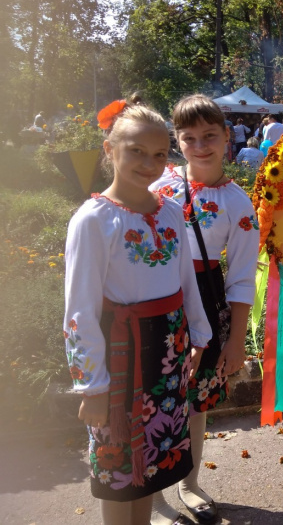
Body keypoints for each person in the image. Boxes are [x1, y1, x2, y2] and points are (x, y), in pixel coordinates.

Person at [64, 98, 211, 525]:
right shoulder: (93, 220)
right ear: (109, 149)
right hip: (119, 354)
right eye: (136, 151)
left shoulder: (169, 211)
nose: (149, 163)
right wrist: (92, 384)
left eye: (160, 154)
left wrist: (198, 336)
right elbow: (79, 309)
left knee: (152, 463)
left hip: (166, 352)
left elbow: (186, 280)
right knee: (118, 465)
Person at [149, 94, 260, 525]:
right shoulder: (159, 187)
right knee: (157, 403)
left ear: (226, 137)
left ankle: (190, 484)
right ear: (178, 140)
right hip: (158, 302)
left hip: (209, 307)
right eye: (189, 137)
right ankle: (154, 498)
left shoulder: (238, 203)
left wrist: (236, 341)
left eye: (209, 136)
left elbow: (242, 276)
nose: (200, 145)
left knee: (196, 403)